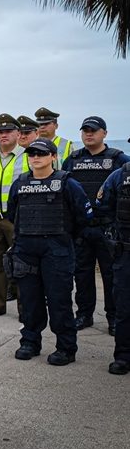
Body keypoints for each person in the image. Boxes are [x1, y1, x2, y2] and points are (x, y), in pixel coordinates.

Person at [9, 138, 92, 366]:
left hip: (57, 250)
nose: (35, 157)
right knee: (30, 300)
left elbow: (83, 217)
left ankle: (65, 347)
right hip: (26, 249)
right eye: (32, 153)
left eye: (41, 153)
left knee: (59, 301)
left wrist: (66, 240)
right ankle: (30, 342)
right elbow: (12, 214)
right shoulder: (20, 183)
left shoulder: (67, 183)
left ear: (53, 157)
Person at [62, 116, 130, 333]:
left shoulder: (119, 159)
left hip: (108, 227)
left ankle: (113, 317)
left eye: (93, 130)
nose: (89, 134)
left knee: (112, 275)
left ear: (105, 133)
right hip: (81, 227)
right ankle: (84, 315)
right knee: (81, 274)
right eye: (85, 130)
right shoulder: (72, 160)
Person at [0, 114, 30, 319]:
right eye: (0, 132)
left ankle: (24, 308)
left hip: (18, 219)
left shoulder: (28, 156)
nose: (4, 135)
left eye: (8, 131)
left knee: (22, 266)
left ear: (18, 133)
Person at [95, 147, 130, 374]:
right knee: (124, 306)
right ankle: (123, 356)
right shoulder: (120, 175)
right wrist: (113, 233)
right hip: (125, 251)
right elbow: (103, 206)